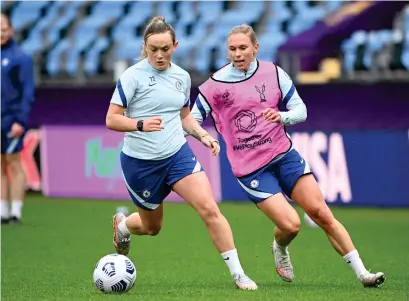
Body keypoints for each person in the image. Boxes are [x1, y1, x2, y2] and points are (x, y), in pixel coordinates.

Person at [189, 24, 385, 288]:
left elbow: (300, 110)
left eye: (243, 48)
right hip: (251, 169)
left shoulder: (273, 72)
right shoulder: (214, 86)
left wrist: (281, 116)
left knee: (321, 213)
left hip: (283, 154)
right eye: (232, 49)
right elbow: (191, 120)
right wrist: (204, 136)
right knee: (291, 225)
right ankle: (279, 247)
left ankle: (363, 274)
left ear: (255, 48)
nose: (237, 54)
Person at [106, 17, 257, 291]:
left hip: (177, 155)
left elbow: (185, 118)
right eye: (153, 49)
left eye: (165, 48)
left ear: (175, 46)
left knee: (209, 208)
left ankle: (238, 275)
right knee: (152, 227)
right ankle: (124, 226)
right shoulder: (131, 77)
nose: (160, 55)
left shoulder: (182, 77)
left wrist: (203, 135)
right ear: (145, 47)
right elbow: (112, 119)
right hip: (141, 165)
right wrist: (139, 124)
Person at [1, 13, 35, 224]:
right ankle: (3, 210)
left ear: (11, 31)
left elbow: (27, 92)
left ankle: (16, 211)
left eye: (4, 29)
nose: (1, 33)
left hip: (11, 120)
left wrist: (20, 121)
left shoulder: (20, 57)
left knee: (14, 162)